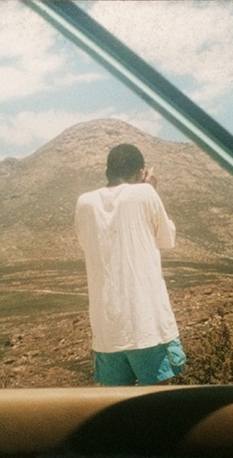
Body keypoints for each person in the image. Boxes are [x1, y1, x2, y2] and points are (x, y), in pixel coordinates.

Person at [75, 143, 185, 386]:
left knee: (117, 412)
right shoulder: (146, 193)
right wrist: (150, 189)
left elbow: (88, 245)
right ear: (140, 172)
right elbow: (167, 239)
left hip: (106, 332)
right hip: (146, 327)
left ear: (108, 171)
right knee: (159, 409)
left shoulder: (84, 202)